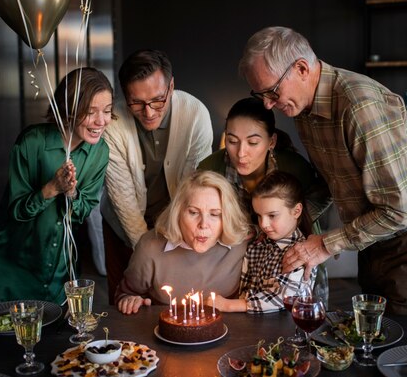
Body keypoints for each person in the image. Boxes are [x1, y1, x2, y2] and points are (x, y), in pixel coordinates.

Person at [239, 26, 407, 317]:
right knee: (370, 340)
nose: (268, 104)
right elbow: (330, 183)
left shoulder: (359, 105)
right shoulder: (303, 108)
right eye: (261, 95)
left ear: (302, 68)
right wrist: (279, 221)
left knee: (403, 349)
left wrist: (324, 244)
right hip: (373, 237)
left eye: (272, 92)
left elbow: (399, 210)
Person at [0, 67, 113, 304]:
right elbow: (17, 211)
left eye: (107, 111)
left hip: (60, 269)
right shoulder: (31, 142)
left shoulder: (100, 152)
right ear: (68, 109)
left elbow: (83, 212)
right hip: (13, 265)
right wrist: (52, 188)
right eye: (91, 111)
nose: (101, 121)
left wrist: (72, 192)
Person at [100, 49, 214, 303]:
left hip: (177, 221)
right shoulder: (113, 122)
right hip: (122, 224)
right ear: (124, 96)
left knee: (175, 300)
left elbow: (193, 188)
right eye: (137, 103)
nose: (149, 112)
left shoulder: (196, 115)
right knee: (125, 302)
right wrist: (149, 252)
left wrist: (176, 243)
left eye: (157, 100)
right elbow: (124, 199)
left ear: (171, 86)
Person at [116, 170, 251, 314]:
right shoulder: (150, 248)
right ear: (178, 212)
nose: (204, 224)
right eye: (193, 212)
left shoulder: (243, 243)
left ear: (227, 216)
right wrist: (130, 301)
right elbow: (124, 294)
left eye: (215, 214)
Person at [198, 97, 331, 235]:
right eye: (232, 141)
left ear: (271, 142)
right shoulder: (208, 169)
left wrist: (288, 220)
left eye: (253, 142)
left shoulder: (295, 168)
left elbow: (324, 194)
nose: (241, 153)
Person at [215, 171, 316, 313]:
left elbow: (285, 296)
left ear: (296, 211)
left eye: (272, 215)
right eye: (259, 216)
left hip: (283, 329)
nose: (264, 224)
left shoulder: (301, 253)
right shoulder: (259, 243)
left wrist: (230, 305)